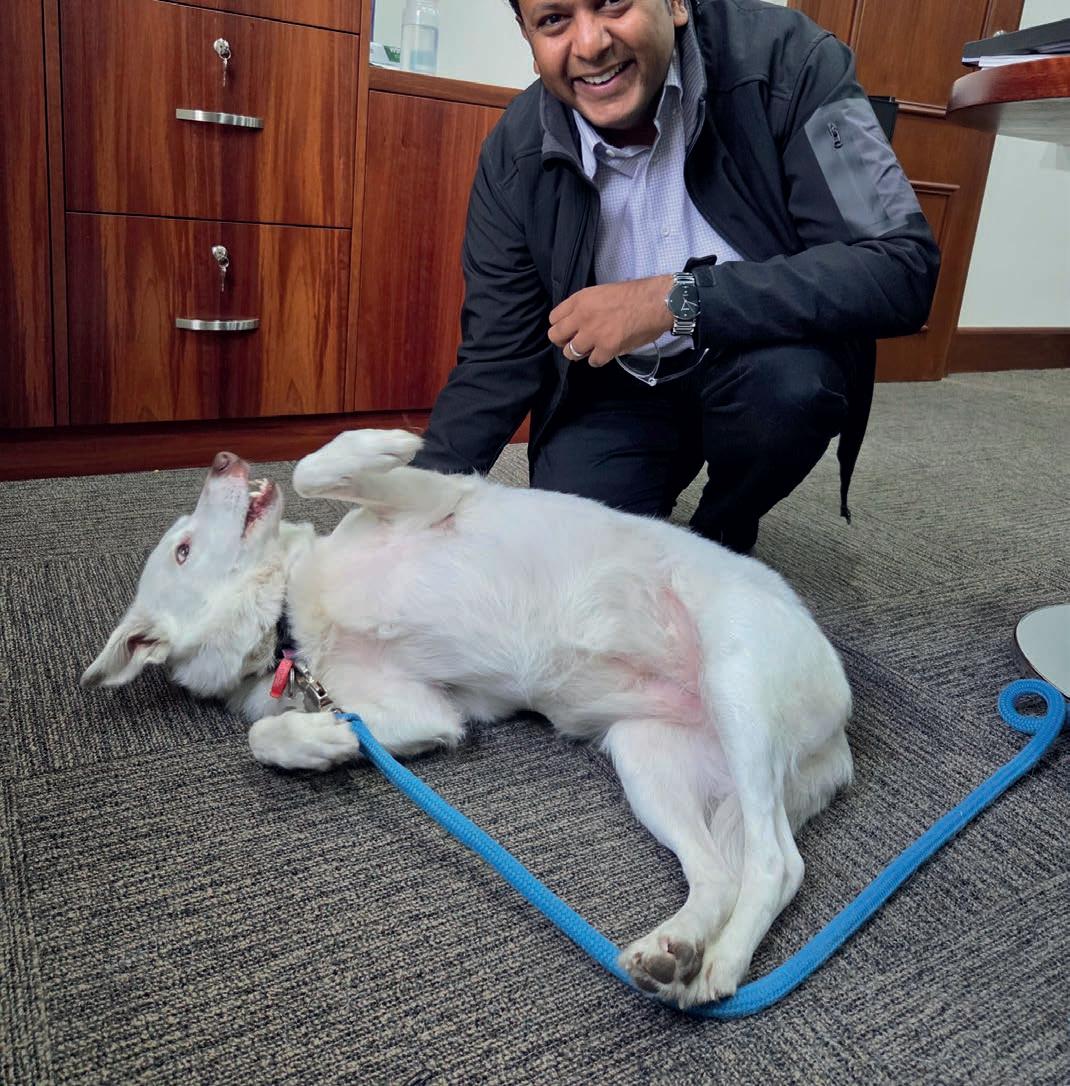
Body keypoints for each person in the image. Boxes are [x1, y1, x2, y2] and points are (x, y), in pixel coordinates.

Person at [410, 0, 940, 553]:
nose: (590, 45)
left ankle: (724, 529)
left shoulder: (794, 62)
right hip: (614, 381)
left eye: (612, 2)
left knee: (789, 393)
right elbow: (496, 356)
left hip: (757, 355)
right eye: (553, 20)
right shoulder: (513, 154)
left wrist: (678, 300)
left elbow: (900, 264)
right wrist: (411, 508)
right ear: (527, 36)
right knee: (573, 549)